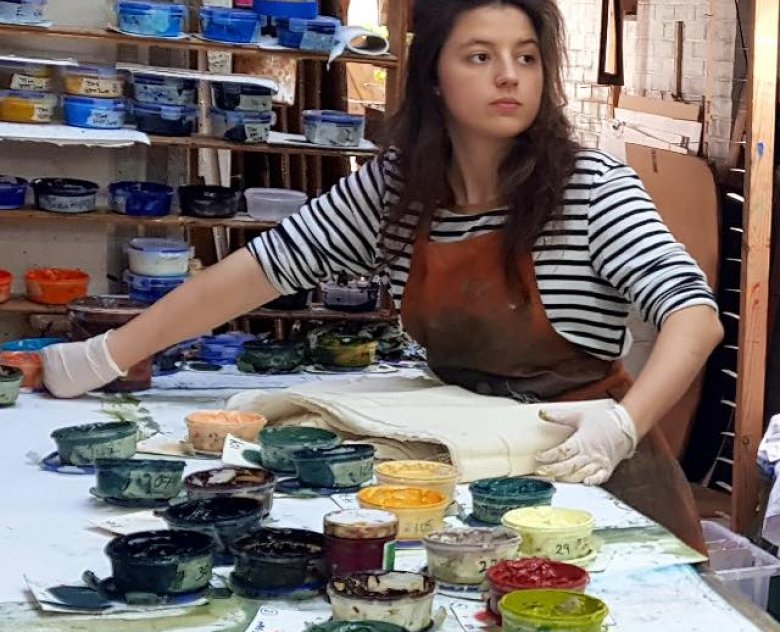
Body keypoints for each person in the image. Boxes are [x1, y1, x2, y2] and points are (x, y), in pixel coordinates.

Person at [42, 0, 723, 552]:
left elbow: (694, 315)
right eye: (479, 57)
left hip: (583, 464)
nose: (509, 75)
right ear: (433, 77)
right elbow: (258, 270)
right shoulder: (398, 191)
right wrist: (103, 356)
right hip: (465, 457)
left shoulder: (590, 186)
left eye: (526, 57)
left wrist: (624, 425)